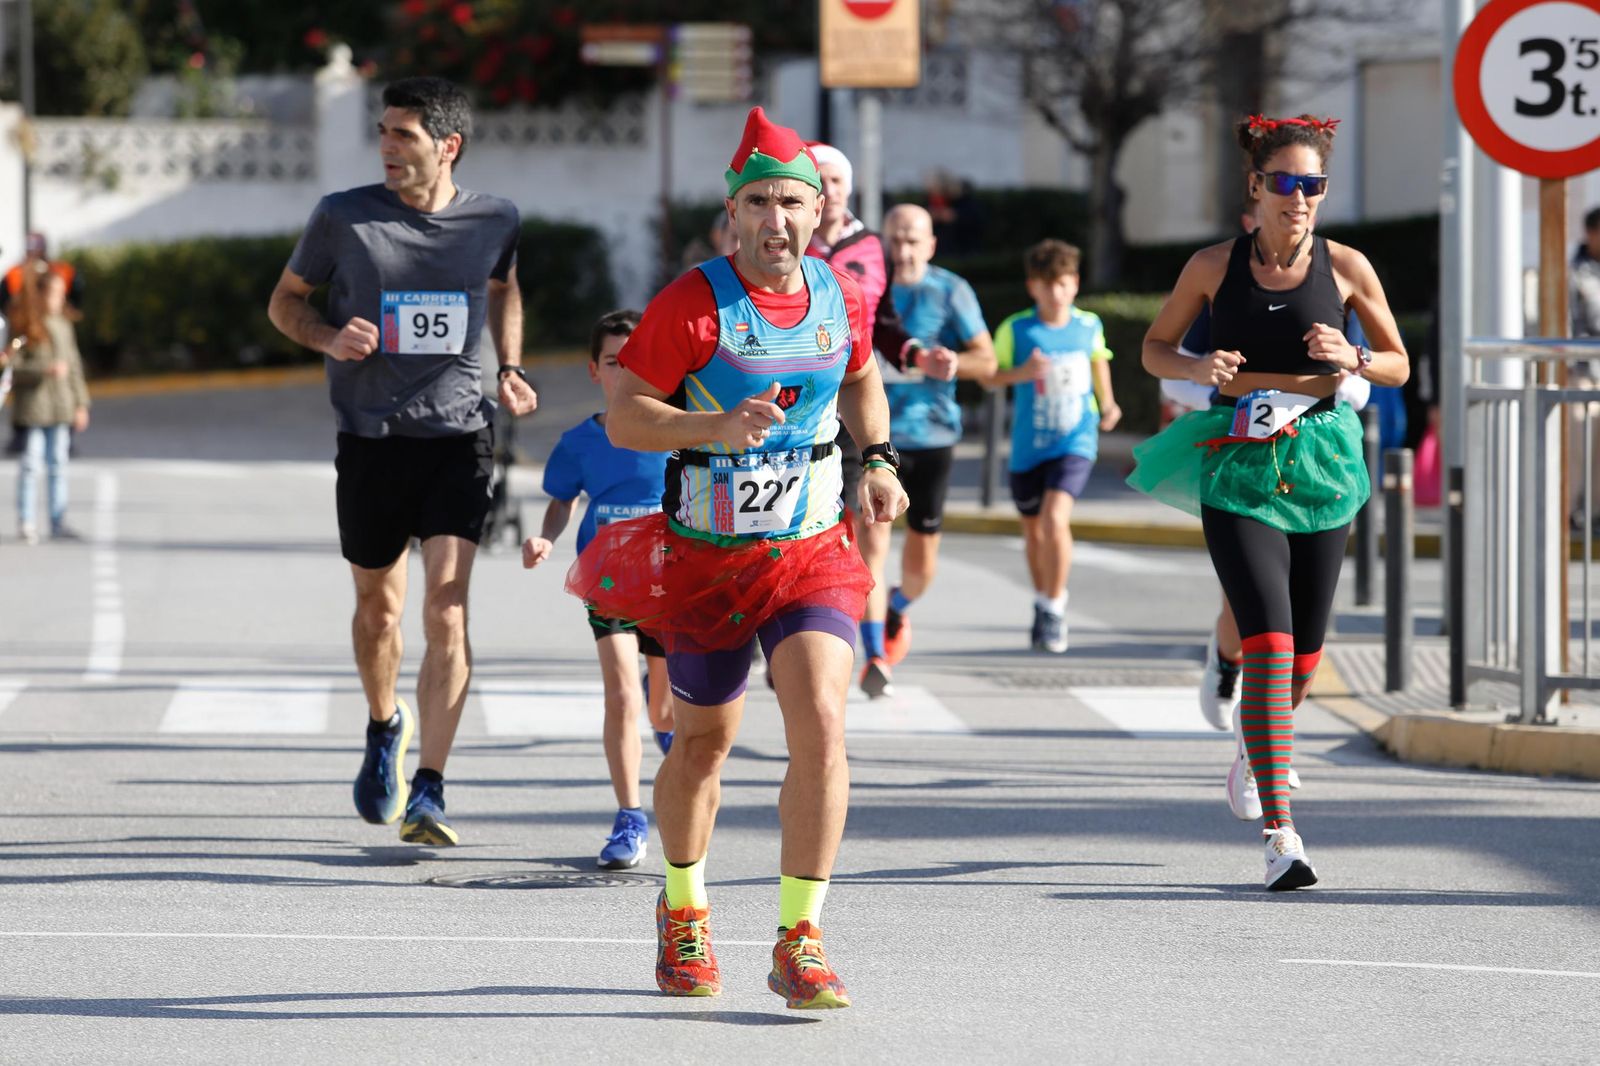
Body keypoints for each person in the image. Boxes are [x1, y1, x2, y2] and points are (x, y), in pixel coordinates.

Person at [565, 107, 909, 1009]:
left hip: (808, 550)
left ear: (820, 208)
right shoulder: (695, 301)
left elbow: (865, 375)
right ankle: (683, 911)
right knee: (706, 741)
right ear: (733, 214)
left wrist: (876, 461)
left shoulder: (842, 295)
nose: (777, 219)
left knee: (823, 726)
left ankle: (801, 937)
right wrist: (712, 424)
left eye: (794, 201)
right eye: (758, 201)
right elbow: (624, 412)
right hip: (708, 557)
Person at [1128, 113, 1408, 890]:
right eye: (1284, 183)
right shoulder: (1214, 265)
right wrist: (1197, 362)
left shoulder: (1348, 266)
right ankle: (1282, 834)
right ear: (1255, 187)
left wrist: (1353, 355)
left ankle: (1258, 749)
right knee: (1271, 645)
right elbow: (1154, 348)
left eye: (1313, 185)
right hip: (1241, 461)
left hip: (1322, 458)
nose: (1300, 198)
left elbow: (1398, 364)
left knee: (1309, 653)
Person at [266, 76, 537, 847]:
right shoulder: (343, 217)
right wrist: (327, 338)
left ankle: (431, 788)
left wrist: (509, 366)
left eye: (403, 135)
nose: (386, 146)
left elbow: (504, 288)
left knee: (447, 608)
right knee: (379, 612)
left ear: (448, 146)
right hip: (372, 438)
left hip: (460, 435)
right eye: (382, 132)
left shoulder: (495, 219)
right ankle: (386, 722)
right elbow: (284, 300)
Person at [521, 309, 675, 870]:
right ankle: (630, 815)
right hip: (608, 579)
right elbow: (562, 498)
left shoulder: (677, 429)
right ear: (595, 370)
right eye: (614, 362)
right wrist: (545, 538)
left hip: (669, 582)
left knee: (662, 709)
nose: (623, 371)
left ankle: (668, 739)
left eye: (635, 361)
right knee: (621, 695)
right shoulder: (580, 441)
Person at [804, 142, 925, 697]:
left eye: (836, 180)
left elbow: (886, 322)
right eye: (818, 180)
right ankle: (787, 640)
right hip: (795, 411)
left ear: (848, 187)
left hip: (853, 408)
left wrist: (917, 354)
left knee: (873, 532)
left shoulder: (870, 246)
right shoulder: (785, 242)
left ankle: (875, 651)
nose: (828, 190)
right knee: (807, 533)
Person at [860, 203, 994, 681]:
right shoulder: (867, 288)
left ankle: (898, 603)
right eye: (895, 240)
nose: (904, 251)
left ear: (931, 244)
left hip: (934, 434)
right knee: (871, 542)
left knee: (922, 563)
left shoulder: (951, 290)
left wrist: (954, 363)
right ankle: (875, 655)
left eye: (914, 240)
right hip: (875, 436)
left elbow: (988, 360)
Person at [985, 240, 1121, 654]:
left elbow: (1099, 360)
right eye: (1047, 285)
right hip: (1030, 445)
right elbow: (991, 377)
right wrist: (1023, 372)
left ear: (1075, 284)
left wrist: (1109, 402)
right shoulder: (1017, 329)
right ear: (1033, 287)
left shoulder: (1088, 325)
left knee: (1054, 519)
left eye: (1062, 283)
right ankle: (1043, 600)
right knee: (1033, 532)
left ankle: (1056, 605)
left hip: (1075, 439)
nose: (1055, 293)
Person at [9, 269, 89, 544]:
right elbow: (12, 367)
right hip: (34, 407)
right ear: (40, 295)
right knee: (31, 464)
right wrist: (44, 369)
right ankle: (27, 521)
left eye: (61, 293)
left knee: (58, 464)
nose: (59, 298)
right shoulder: (25, 326)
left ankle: (58, 522)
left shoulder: (64, 326)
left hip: (61, 405)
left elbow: (75, 366)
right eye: (54, 293)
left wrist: (81, 403)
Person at [1567, 206, 1600, 528]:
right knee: (1580, 444)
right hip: (1582, 371)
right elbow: (1564, 320)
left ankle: (1595, 510)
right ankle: (1575, 511)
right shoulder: (1574, 272)